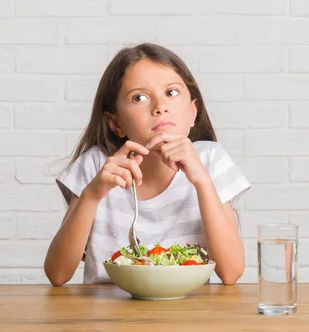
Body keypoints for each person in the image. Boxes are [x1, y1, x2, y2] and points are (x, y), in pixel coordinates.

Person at [44, 43, 251, 286]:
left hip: (189, 316)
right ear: (115, 122)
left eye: (171, 93)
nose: (160, 107)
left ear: (193, 112)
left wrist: (202, 182)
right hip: (107, 317)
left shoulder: (210, 160)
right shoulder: (96, 165)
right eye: (139, 97)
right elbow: (57, 274)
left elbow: (231, 272)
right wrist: (92, 194)